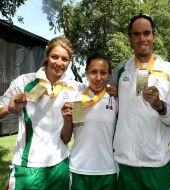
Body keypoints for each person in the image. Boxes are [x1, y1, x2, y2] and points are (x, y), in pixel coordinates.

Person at [109, 13, 170, 190]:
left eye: (147, 33)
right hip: (124, 163)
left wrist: (160, 105)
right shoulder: (121, 70)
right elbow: (110, 107)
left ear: (154, 36)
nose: (142, 38)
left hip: (156, 164)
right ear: (130, 38)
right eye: (136, 34)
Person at [0, 36, 82, 190]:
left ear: (70, 62)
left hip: (60, 166)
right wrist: (8, 109)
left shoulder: (76, 89)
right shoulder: (24, 82)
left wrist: (69, 120)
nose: (59, 63)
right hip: (27, 166)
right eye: (54, 57)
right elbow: (2, 109)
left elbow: (75, 126)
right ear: (46, 55)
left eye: (64, 59)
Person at [61, 53, 118, 190]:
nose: (98, 78)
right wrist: (67, 121)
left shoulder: (115, 98)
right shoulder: (78, 99)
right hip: (79, 169)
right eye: (93, 72)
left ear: (109, 74)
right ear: (86, 72)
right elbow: (66, 139)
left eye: (103, 73)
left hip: (107, 170)